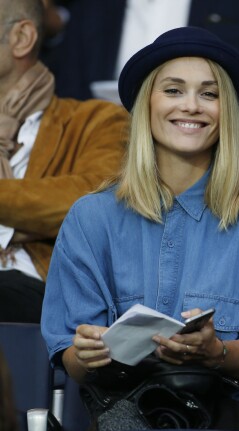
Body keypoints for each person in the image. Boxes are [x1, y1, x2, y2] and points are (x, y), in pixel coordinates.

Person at [41, 26, 239, 431]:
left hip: (232, 419)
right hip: (122, 418)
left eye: (210, 93)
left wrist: (215, 352)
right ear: (147, 104)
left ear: (226, 111)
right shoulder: (90, 216)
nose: (192, 106)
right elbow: (72, 360)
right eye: (174, 90)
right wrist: (88, 354)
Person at [0, 0, 128, 323]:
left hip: (43, 292)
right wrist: (28, 218)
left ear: (22, 37)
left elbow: (91, 204)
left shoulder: (95, 121)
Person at [49, 0, 239, 108]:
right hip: (105, 145)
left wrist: (214, 107)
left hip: (209, 144)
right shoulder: (91, 7)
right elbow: (69, 89)